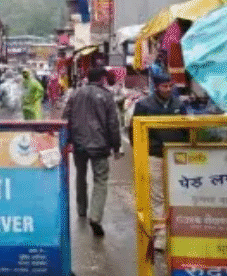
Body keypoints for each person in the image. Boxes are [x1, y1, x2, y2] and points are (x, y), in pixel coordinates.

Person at [63, 67, 121, 237]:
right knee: (101, 180)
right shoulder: (107, 96)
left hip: (79, 144)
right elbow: (113, 124)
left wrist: (67, 140)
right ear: (103, 78)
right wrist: (116, 146)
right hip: (100, 145)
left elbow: (65, 118)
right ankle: (95, 216)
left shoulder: (75, 94)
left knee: (80, 176)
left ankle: (81, 210)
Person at [132, 72, 187, 249]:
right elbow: (134, 131)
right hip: (154, 155)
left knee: (175, 193)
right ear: (156, 87)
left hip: (176, 156)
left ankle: (178, 233)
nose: (169, 89)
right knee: (157, 196)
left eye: (171, 86)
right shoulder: (143, 105)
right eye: (165, 86)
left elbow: (186, 128)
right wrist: (142, 151)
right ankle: (161, 236)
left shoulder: (179, 104)